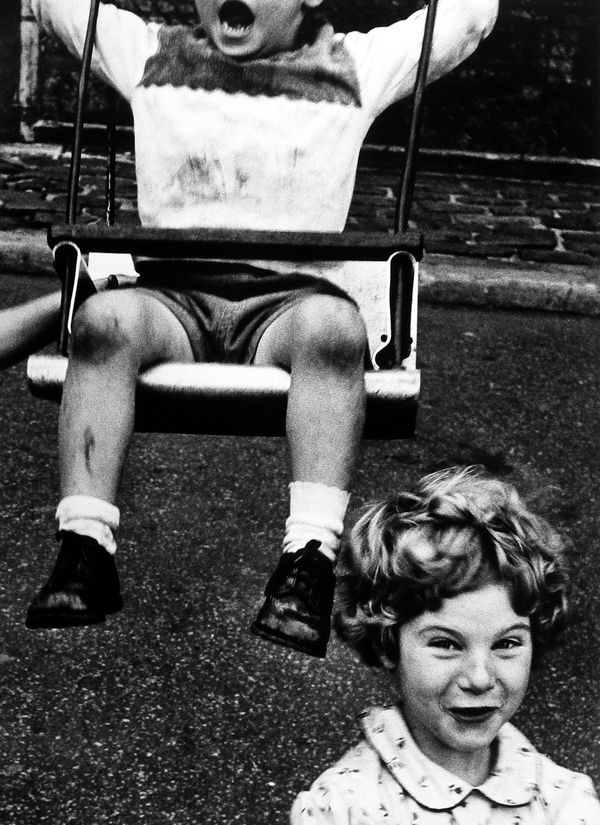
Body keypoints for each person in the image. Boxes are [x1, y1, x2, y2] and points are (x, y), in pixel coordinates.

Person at [25, 0, 498, 657]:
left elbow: (466, 20)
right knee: (102, 320)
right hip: (174, 301)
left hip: (288, 305)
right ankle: (84, 547)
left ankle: (306, 562)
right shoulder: (149, 54)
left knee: (336, 328)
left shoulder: (352, 67)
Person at [291, 466, 600, 822]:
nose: (480, 678)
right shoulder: (342, 808)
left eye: (507, 643)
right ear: (386, 644)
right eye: (447, 644)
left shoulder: (565, 801)